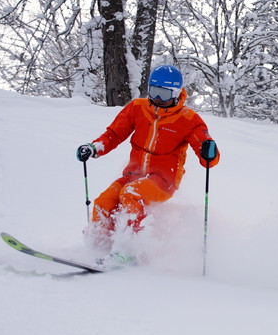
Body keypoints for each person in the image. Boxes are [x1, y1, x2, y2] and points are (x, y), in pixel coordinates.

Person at [76, 65, 220, 251]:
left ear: (176, 93)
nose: (158, 99)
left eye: (164, 94)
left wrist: (208, 151)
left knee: (131, 194)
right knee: (104, 200)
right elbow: (114, 134)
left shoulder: (188, 119)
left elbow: (209, 157)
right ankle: (98, 246)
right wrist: (94, 148)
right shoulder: (137, 108)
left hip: (163, 180)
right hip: (133, 175)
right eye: (154, 92)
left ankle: (129, 249)